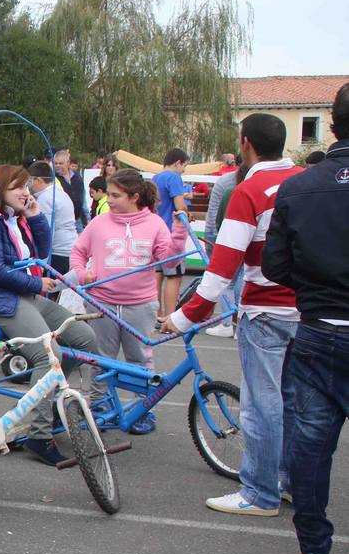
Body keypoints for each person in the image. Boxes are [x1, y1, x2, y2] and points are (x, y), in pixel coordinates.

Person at [162, 114, 301, 517]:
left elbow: (221, 271)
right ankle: (289, 481)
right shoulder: (305, 181)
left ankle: (260, 493)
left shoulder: (249, 190)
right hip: (309, 310)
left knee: (261, 406)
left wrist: (183, 319)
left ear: (245, 143)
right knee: (296, 402)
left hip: (265, 310)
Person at [262, 82, 349, 554]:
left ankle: (315, 553)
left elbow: (276, 264)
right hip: (320, 324)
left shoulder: (298, 186)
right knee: (310, 444)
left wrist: (315, 285)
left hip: (318, 328)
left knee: (312, 446)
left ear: (332, 124)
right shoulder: (298, 186)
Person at [0, 164, 96, 466]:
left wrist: (34, 216)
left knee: (85, 339)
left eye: (25, 187)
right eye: (17, 188)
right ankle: (38, 433)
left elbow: (42, 252)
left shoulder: (10, 217)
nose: (25, 193)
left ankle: (41, 402)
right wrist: (37, 283)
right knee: (49, 357)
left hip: (22, 294)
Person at [70, 170, 186, 412]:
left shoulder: (154, 224)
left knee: (140, 360)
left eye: (115, 195)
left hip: (140, 305)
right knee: (101, 360)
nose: (109, 200)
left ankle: (141, 410)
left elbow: (169, 262)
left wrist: (178, 236)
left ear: (134, 197)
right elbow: (78, 252)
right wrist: (82, 274)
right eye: (109, 195)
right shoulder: (99, 222)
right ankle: (98, 409)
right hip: (101, 304)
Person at [198, 164, 250, 338]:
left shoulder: (230, 192)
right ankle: (240, 322)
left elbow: (217, 218)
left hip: (228, 241)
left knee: (227, 282)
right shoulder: (254, 191)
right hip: (250, 243)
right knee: (242, 280)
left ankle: (228, 321)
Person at [151, 148, 191, 325]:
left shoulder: (155, 178)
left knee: (156, 275)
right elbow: (179, 205)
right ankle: (170, 317)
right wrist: (187, 215)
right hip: (171, 232)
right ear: (178, 163)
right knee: (173, 276)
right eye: (184, 166)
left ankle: (155, 315)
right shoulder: (174, 177)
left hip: (155, 231)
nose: (183, 171)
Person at [26, 161, 78, 279]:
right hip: (70, 249)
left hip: (57, 253)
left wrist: (42, 262)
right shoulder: (61, 194)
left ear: (38, 180)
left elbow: (46, 232)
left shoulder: (45, 199)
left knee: (52, 293)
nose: (29, 185)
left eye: (30, 181)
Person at [52, 148, 88, 229]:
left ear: (68, 163)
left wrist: (87, 218)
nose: (57, 166)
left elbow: (83, 199)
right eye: (56, 163)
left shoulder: (77, 177)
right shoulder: (53, 179)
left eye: (60, 163)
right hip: (63, 222)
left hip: (78, 220)